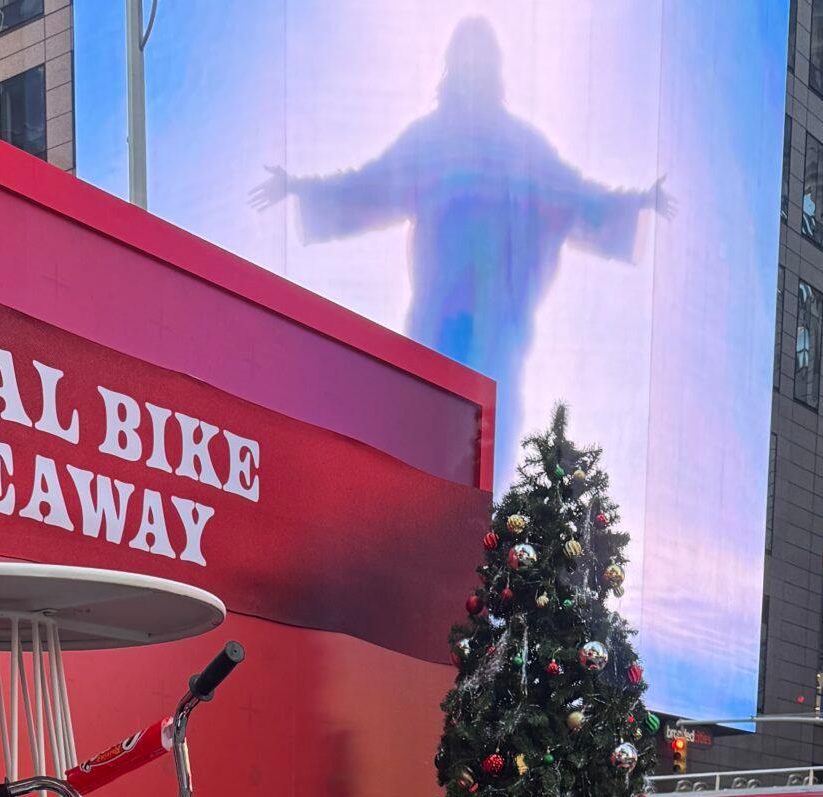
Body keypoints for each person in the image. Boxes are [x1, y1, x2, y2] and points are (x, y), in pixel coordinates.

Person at [250, 17, 668, 472]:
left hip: (496, 324)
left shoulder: (520, 146)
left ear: (494, 67)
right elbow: (370, 184)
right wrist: (301, 189)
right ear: (451, 65)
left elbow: (573, 195)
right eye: (463, 55)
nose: (471, 65)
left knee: (488, 448)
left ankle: (485, 533)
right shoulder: (428, 140)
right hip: (438, 318)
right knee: (426, 435)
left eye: (480, 55)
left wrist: (636, 202)